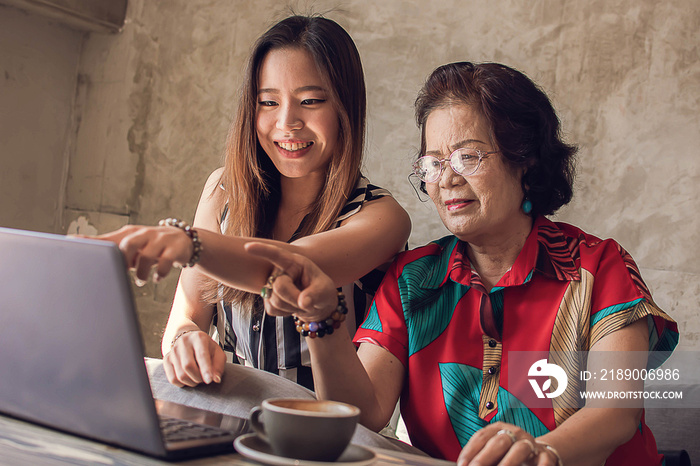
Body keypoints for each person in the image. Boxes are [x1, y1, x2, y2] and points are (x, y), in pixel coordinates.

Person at [244, 62, 679, 466]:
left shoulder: (599, 267)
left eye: (468, 157)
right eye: (434, 164)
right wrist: (322, 322)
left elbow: (615, 412)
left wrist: (538, 450)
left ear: (525, 160)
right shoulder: (413, 279)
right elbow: (364, 414)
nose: (447, 179)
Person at [98, 15, 411, 391]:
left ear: (347, 107)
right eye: (268, 102)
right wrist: (186, 342)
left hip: (324, 438)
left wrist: (188, 242)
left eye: (310, 101)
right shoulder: (224, 190)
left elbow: (291, 267)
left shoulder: (381, 217)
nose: (287, 122)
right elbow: (188, 315)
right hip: (230, 424)